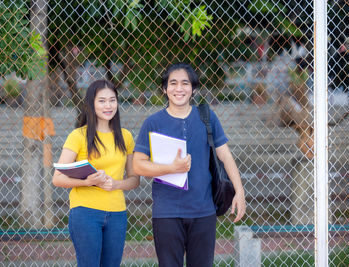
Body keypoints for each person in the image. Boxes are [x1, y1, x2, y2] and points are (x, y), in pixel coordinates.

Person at [132, 62, 246, 267]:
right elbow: (138, 166)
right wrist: (170, 168)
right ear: (164, 89)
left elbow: (225, 156)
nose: (179, 88)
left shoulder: (206, 117)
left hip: (203, 211)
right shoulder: (153, 122)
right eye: (173, 83)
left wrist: (239, 191)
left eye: (185, 83)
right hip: (167, 213)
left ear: (193, 89)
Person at [52, 79, 140, 267]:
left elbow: (134, 180)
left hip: (117, 214)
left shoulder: (126, 136)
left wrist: (116, 184)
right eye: (102, 101)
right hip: (85, 212)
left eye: (112, 100)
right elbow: (57, 178)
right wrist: (87, 181)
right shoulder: (78, 136)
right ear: (91, 104)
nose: (108, 105)